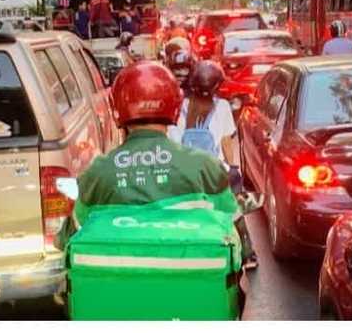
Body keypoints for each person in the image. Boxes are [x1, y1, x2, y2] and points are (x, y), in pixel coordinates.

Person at [74, 61, 237, 229]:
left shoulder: (97, 172)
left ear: (116, 108)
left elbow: (71, 233)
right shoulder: (208, 166)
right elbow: (229, 219)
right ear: (176, 106)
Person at [167, 60, 257, 268]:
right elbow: (226, 142)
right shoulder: (223, 107)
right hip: (214, 171)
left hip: (183, 173)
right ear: (217, 86)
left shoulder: (180, 107)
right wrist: (233, 168)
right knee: (235, 208)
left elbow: (172, 143)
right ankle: (248, 253)